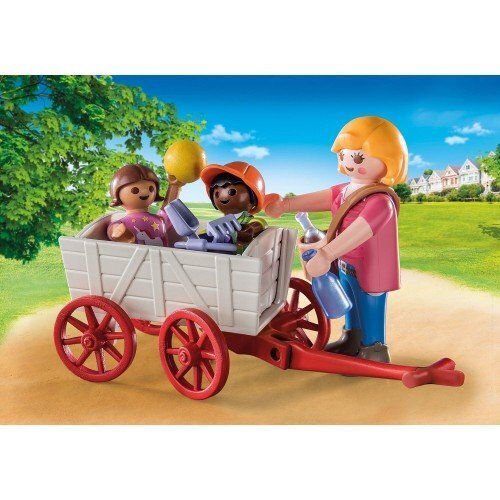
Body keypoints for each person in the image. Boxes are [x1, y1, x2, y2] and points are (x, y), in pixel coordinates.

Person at [265, 116, 408, 362]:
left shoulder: (381, 201)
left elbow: (360, 230)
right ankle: (352, 339)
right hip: (346, 263)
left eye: (358, 158)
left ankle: (374, 349)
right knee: (350, 302)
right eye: (343, 155)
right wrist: (285, 205)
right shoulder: (345, 191)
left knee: (369, 305)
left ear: (389, 160)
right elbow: (318, 199)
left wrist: (326, 253)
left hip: (371, 269)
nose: (348, 162)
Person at [200, 161, 268, 253]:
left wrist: (250, 230)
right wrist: (202, 236)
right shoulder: (220, 223)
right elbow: (208, 232)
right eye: (217, 193)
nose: (223, 197)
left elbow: (259, 224)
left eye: (232, 192)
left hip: (241, 259)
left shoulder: (248, 220)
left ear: (253, 197)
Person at [106, 164, 178, 247]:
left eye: (151, 188)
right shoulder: (122, 223)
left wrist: (175, 186)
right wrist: (116, 231)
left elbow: (169, 210)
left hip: (163, 254)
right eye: (135, 190)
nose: (145, 192)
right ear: (117, 194)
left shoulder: (159, 219)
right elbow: (112, 231)